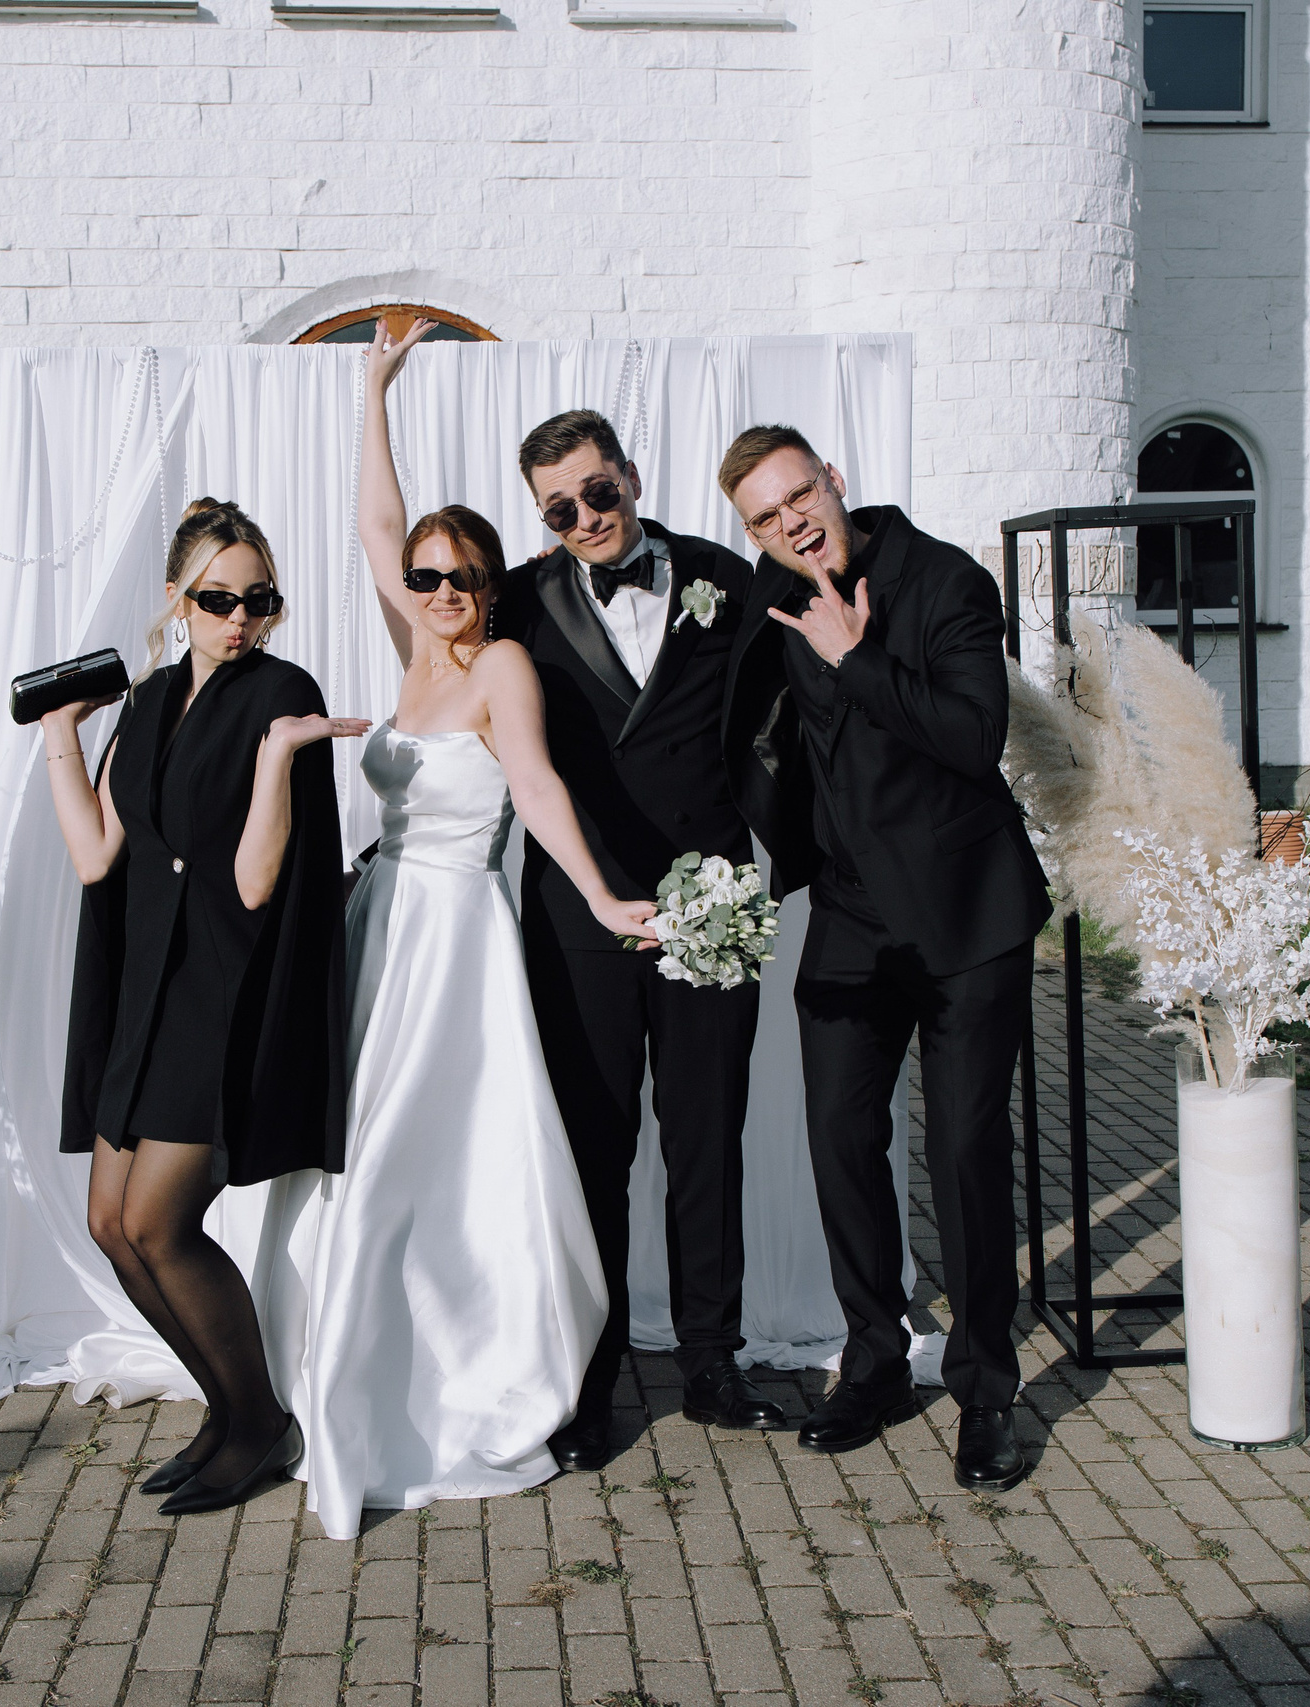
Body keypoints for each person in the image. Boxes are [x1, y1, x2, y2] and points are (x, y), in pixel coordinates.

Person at [280, 324, 657, 1538]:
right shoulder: (413, 651)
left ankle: (452, 1368)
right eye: (427, 577)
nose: (439, 590)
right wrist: (373, 392)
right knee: (360, 1150)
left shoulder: (499, 666)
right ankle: (352, 1356)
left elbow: (536, 790)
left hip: (455, 942)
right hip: (378, 925)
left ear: (489, 585)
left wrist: (600, 897)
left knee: (427, 1155)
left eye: (461, 577)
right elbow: (374, 528)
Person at [716, 426, 1050, 1488]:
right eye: (765, 517)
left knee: (962, 1150)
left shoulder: (946, 581)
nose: (791, 523)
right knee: (838, 1137)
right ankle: (873, 1362)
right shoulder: (768, 595)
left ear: (835, 481)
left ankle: (985, 1390)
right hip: (851, 916)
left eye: (799, 496)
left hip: (965, 915)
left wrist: (855, 660)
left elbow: (974, 736)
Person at [37, 498, 367, 1517]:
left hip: (220, 986)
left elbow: (258, 881)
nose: (240, 619)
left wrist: (276, 761)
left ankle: (259, 1420)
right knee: (109, 1222)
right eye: (218, 599)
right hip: (141, 986)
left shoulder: (283, 692)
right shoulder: (145, 699)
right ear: (178, 599)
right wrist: (59, 733)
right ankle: (228, 1412)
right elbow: (97, 854)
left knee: (159, 1221)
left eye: (259, 600)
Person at [495, 398, 785, 1471]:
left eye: (597, 491)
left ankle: (712, 1361)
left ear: (631, 475)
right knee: (593, 1149)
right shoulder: (517, 599)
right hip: (580, 915)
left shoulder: (725, 574)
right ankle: (588, 1376)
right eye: (558, 509)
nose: (585, 518)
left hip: (710, 896)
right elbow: (406, 587)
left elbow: (789, 710)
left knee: (708, 1136)